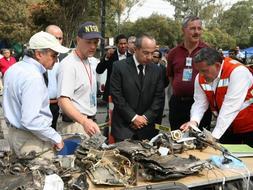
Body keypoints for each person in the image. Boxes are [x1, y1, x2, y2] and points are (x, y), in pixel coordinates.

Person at [2, 31, 68, 158]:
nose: (55, 60)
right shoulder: (33, 77)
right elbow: (31, 120)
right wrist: (56, 138)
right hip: (31, 140)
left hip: (15, 134)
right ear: (38, 54)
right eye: (53, 55)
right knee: (44, 177)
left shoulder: (14, 69)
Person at [180, 47, 253, 147]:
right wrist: (194, 121)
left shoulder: (238, 72)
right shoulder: (200, 77)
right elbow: (199, 102)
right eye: (199, 70)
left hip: (249, 126)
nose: (201, 74)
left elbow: (230, 107)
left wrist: (213, 137)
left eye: (204, 71)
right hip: (226, 126)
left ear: (218, 65)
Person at [110, 34, 165, 142]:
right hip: (124, 128)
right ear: (135, 49)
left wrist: (144, 118)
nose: (149, 57)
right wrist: (133, 117)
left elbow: (159, 98)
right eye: (145, 53)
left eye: (152, 53)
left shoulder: (157, 70)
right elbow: (117, 96)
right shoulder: (119, 67)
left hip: (148, 129)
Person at [166, 15, 212, 131]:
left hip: (201, 105)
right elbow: (171, 77)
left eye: (199, 28)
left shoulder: (208, 51)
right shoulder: (173, 53)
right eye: (192, 28)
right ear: (183, 30)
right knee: (177, 139)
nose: (197, 32)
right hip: (178, 105)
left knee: (200, 142)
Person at [57, 21, 101, 137]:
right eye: (88, 42)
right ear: (78, 40)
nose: (93, 46)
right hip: (75, 125)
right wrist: (84, 121)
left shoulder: (90, 61)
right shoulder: (69, 64)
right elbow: (63, 100)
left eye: (95, 42)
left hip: (89, 123)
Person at [45, 25, 68, 129]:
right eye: (55, 38)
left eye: (60, 38)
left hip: (58, 105)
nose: (58, 41)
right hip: (42, 105)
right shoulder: (38, 58)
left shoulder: (65, 58)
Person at [152, 49, 169, 124]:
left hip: (160, 95)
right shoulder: (147, 67)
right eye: (153, 56)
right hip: (148, 95)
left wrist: (160, 88)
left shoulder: (163, 69)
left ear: (159, 59)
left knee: (158, 115)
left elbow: (166, 81)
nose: (153, 58)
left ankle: (157, 130)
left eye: (155, 57)